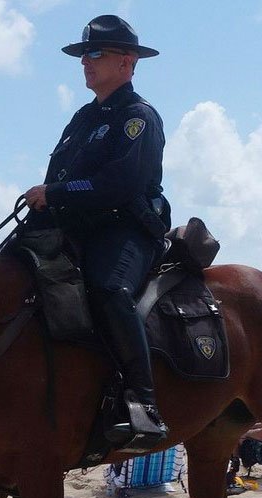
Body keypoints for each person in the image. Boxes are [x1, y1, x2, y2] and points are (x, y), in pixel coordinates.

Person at [23, 15, 169, 452]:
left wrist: (55, 192)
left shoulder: (138, 117)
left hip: (124, 226)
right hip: (76, 228)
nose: (85, 62)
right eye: (83, 54)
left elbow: (119, 184)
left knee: (109, 290)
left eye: (95, 54)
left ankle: (144, 403)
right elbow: (62, 178)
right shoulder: (83, 119)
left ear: (127, 63)